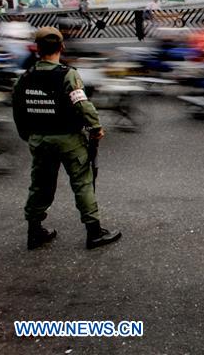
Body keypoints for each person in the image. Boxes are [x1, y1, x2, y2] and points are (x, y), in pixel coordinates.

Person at [11, 27, 122, 250]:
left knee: (40, 185)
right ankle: (94, 232)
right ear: (62, 47)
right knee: (82, 183)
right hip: (69, 140)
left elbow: (18, 110)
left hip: (40, 140)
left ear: (37, 49)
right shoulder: (67, 74)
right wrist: (96, 128)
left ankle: (34, 231)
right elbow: (82, 104)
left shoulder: (24, 78)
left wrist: (29, 136)